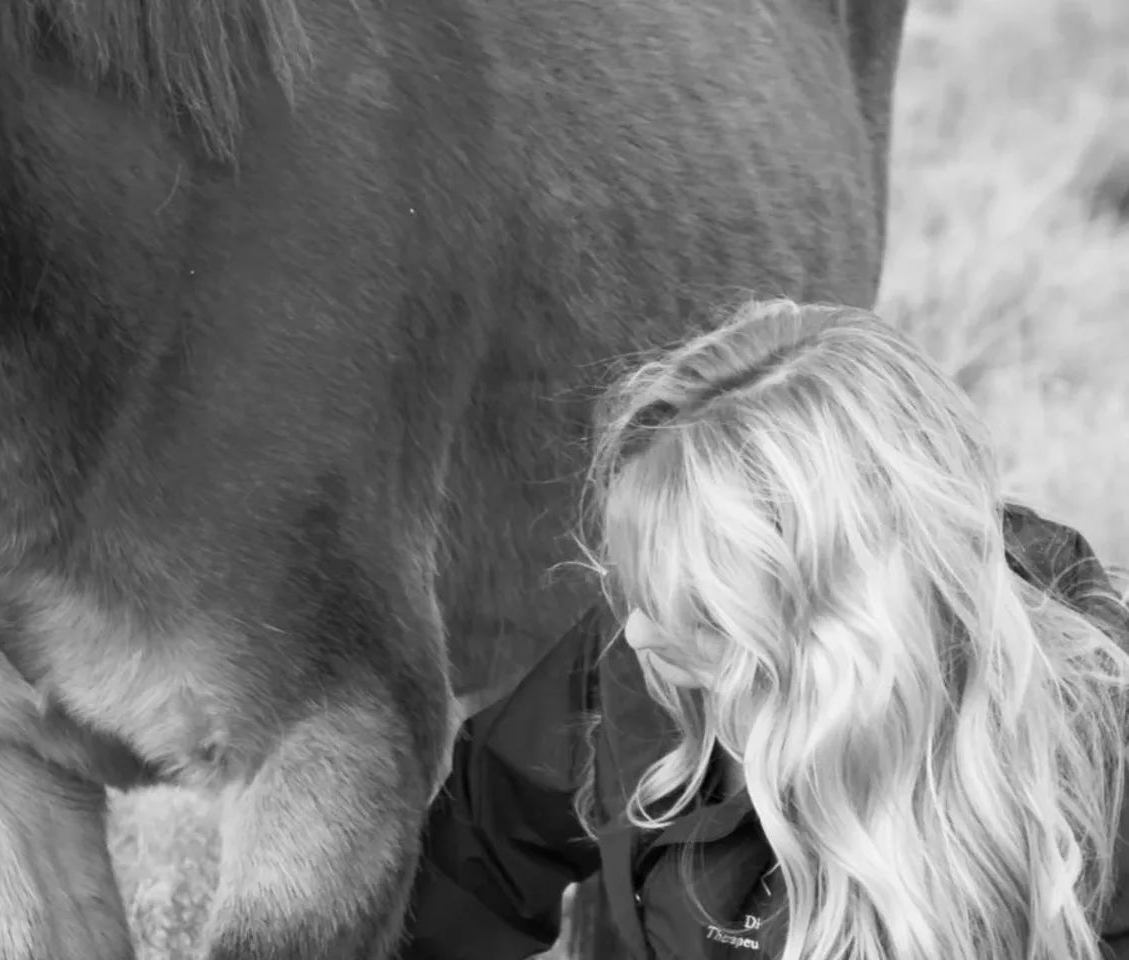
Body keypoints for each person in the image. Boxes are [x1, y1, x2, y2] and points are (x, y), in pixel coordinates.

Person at [396, 299, 1129, 960]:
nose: (637, 633)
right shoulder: (660, 643)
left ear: (845, 634)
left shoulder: (1093, 766)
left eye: (710, 617)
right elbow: (483, 847)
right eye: (640, 589)